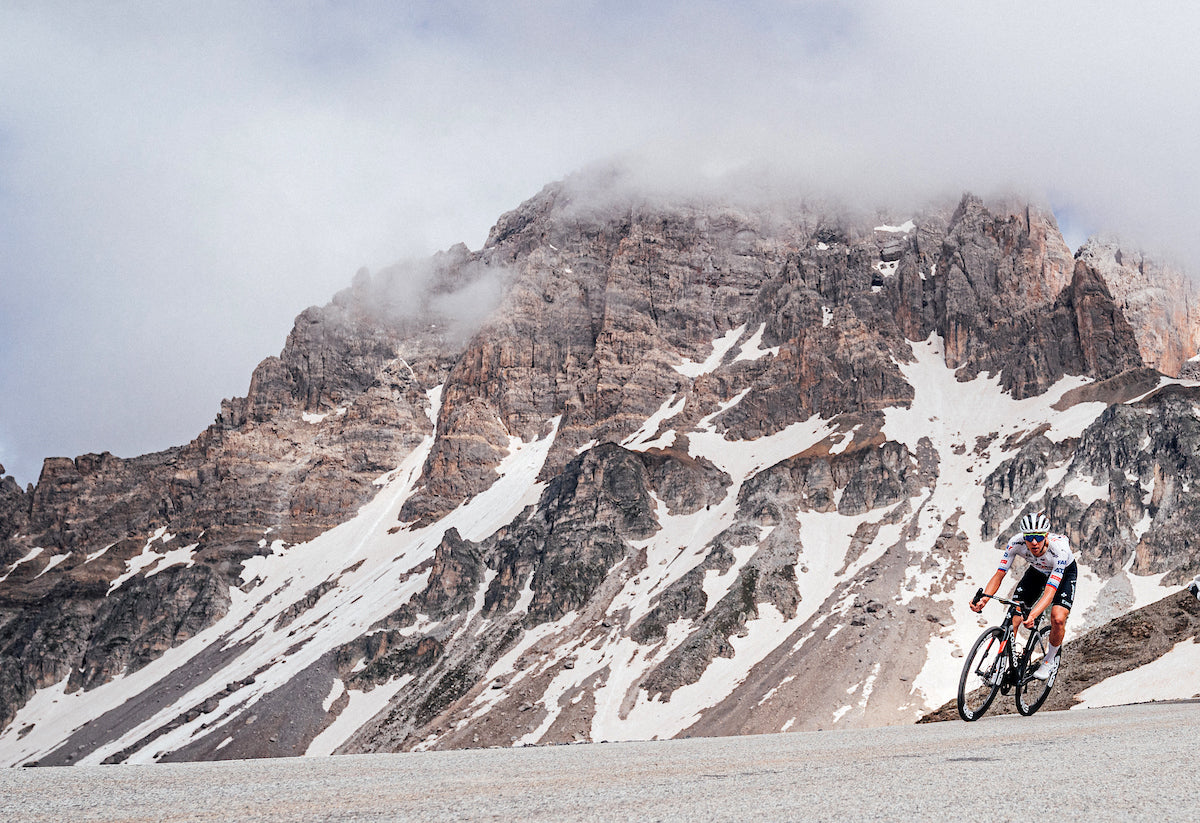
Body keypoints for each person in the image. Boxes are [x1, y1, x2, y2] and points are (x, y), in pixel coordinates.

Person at [970, 511, 1077, 681]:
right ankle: (1001, 662)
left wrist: (1033, 615)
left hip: (1064, 574)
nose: (1034, 542)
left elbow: (1050, 593)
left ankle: (1049, 661)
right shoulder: (1016, 543)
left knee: (1057, 618)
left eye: (1039, 537)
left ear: (1046, 536)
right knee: (1014, 616)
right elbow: (999, 574)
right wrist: (985, 598)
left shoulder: (1059, 551)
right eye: (1029, 537)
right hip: (1037, 572)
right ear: (1023, 536)